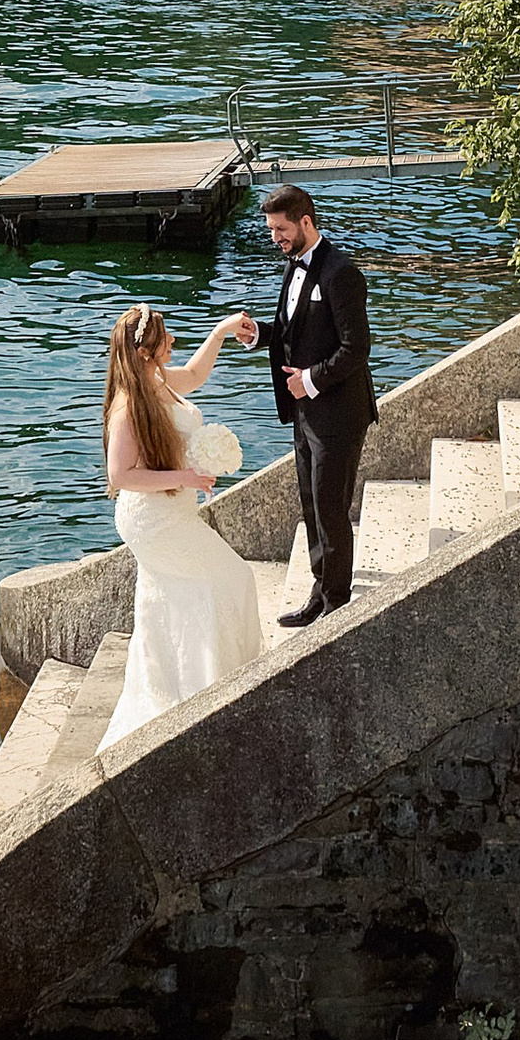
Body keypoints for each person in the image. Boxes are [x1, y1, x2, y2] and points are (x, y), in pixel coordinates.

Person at [97, 303, 262, 751]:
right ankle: (213, 689)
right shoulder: (130, 404)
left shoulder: (157, 381)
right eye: (166, 339)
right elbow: (120, 477)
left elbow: (195, 373)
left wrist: (224, 331)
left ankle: (191, 690)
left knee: (182, 596)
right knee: (231, 578)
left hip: (173, 512)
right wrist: (186, 477)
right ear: (148, 352)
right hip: (153, 521)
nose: (173, 343)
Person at [260, 183, 377, 629]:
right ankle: (319, 592)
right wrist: (263, 336)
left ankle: (336, 606)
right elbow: (296, 330)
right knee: (311, 506)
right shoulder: (294, 266)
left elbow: (356, 349)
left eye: (281, 229)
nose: (276, 238)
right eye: (272, 229)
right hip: (305, 413)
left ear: (306, 222)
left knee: (331, 510)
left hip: (339, 415)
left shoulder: (341, 273)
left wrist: (309, 380)